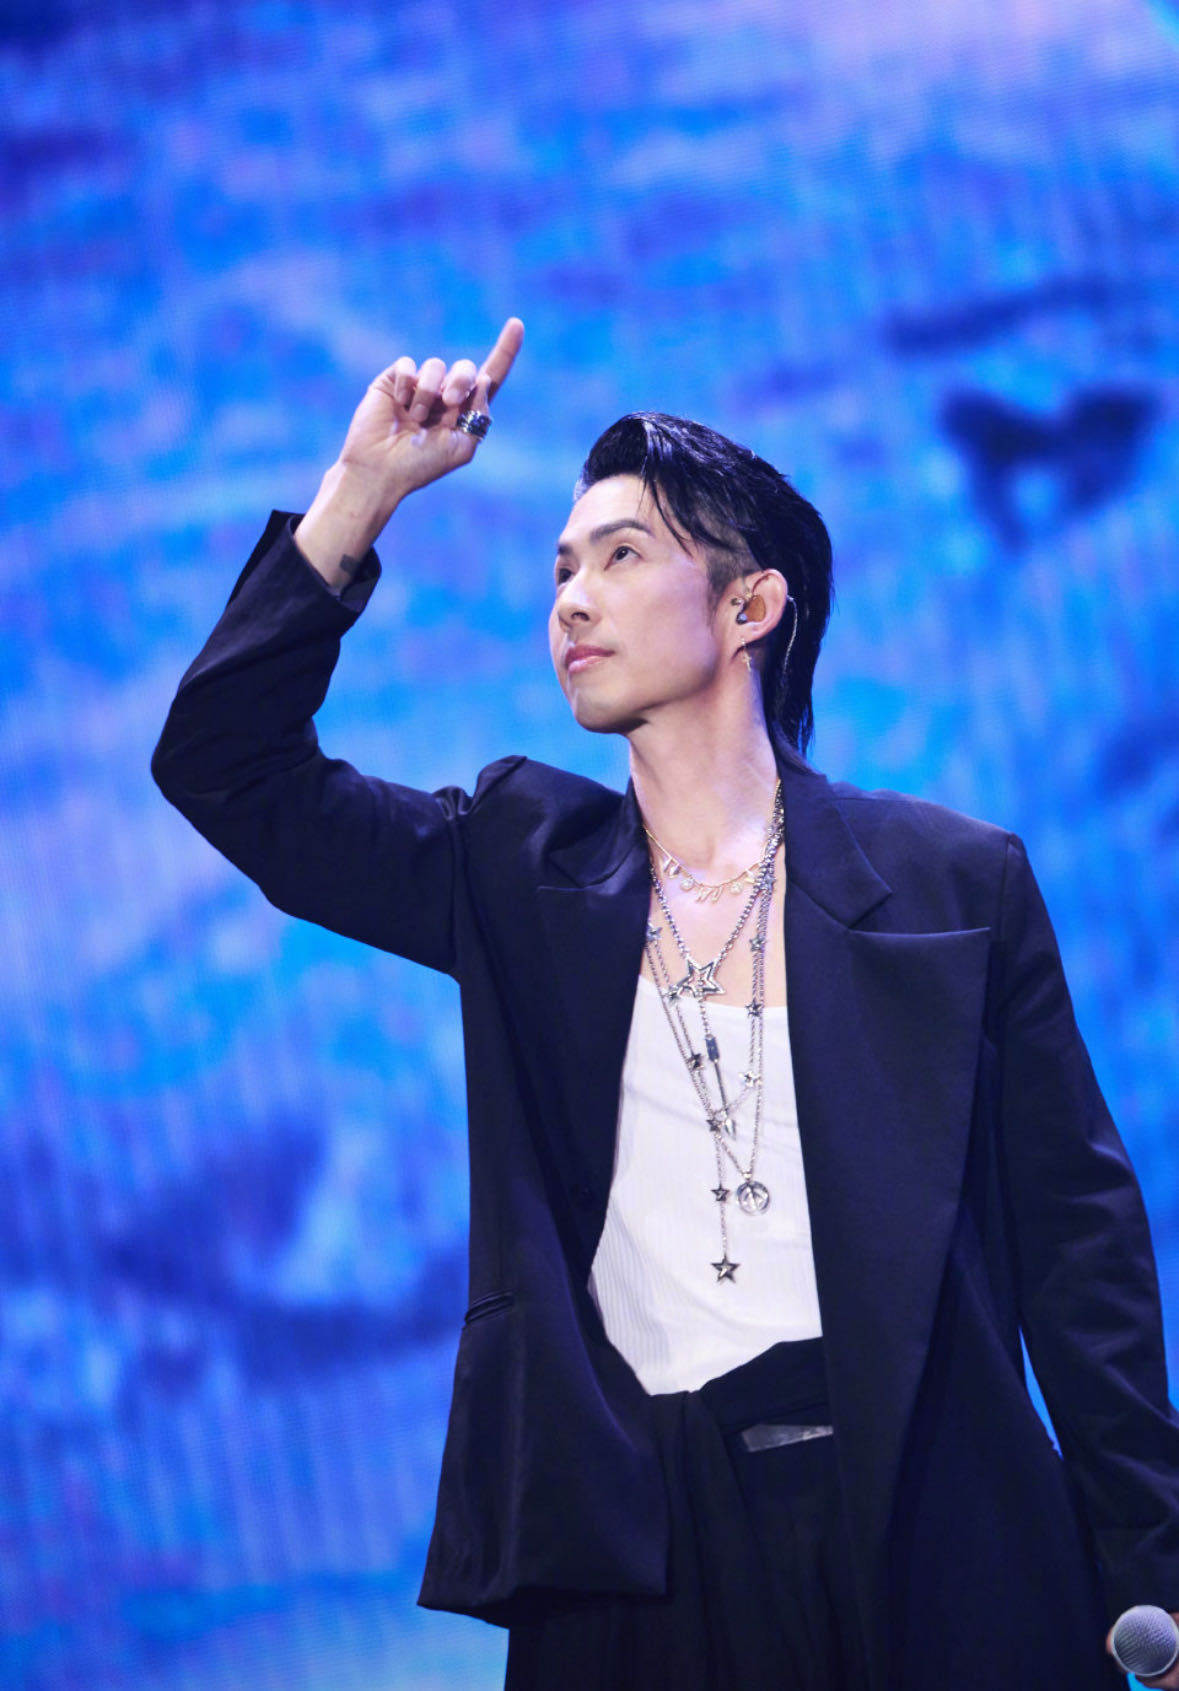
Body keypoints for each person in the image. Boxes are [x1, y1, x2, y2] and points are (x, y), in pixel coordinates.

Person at [152, 318, 1179, 1690]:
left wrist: (1153, 1562)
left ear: (750, 608)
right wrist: (360, 493)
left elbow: (1076, 1244)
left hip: (932, 1530)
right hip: (640, 1570)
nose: (572, 601)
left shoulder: (955, 882)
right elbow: (227, 768)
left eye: (622, 557)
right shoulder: (515, 868)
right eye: (561, 569)